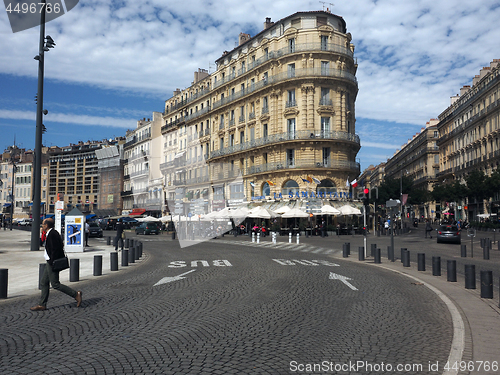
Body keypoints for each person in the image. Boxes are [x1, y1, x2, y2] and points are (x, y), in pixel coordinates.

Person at [30, 218, 82, 311]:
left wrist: (51, 262)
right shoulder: (51, 233)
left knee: (55, 284)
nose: (41, 226)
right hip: (49, 261)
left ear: (46, 225)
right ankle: (42, 304)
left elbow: (55, 249)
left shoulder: (52, 234)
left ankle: (75, 294)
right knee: (44, 282)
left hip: (52, 262)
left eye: (43, 224)